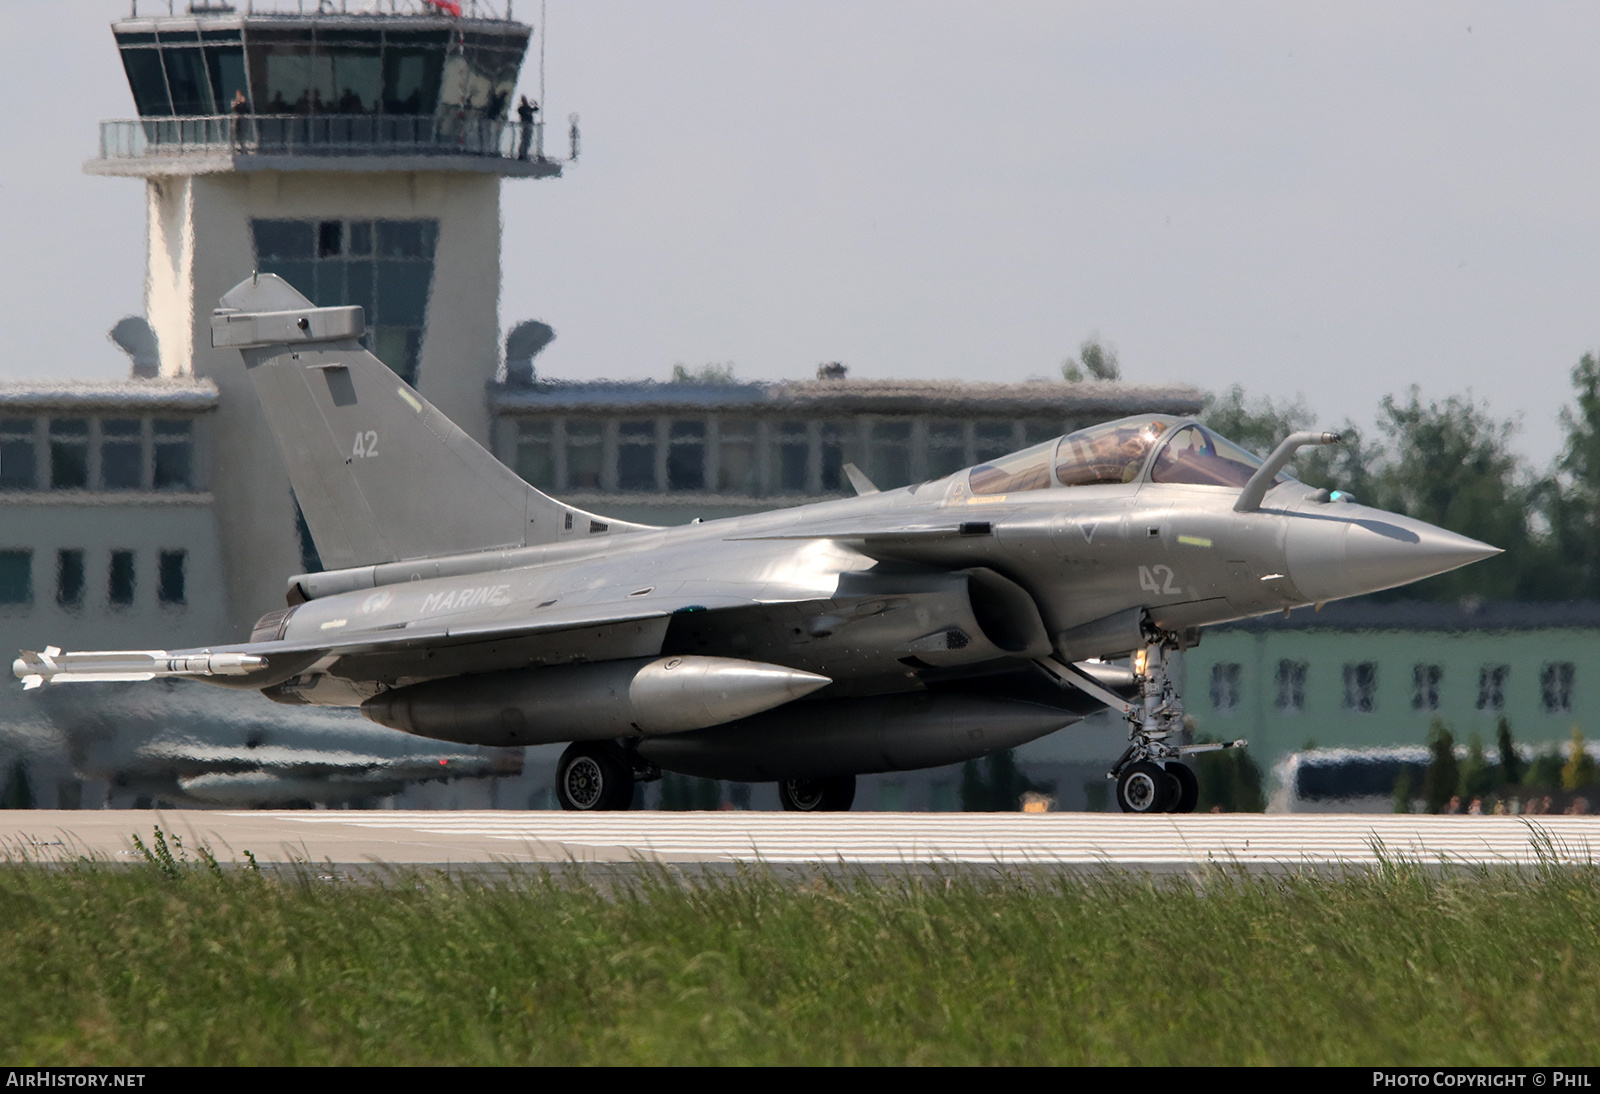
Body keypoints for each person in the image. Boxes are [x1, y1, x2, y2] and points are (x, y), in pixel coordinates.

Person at [517, 95, 539, 160]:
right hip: (525, 124)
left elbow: (536, 109)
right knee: (524, 139)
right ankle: (521, 154)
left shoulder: (529, 108)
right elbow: (521, 113)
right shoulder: (521, 108)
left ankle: (525, 153)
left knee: (528, 140)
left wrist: (535, 104)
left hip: (529, 124)